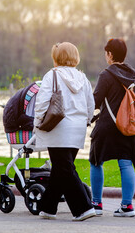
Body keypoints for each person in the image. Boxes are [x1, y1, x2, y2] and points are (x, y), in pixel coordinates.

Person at [34, 42, 96, 221]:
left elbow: (42, 102)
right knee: (61, 169)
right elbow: (90, 104)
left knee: (65, 168)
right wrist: (85, 120)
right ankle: (48, 208)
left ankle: (84, 208)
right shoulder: (82, 78)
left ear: (56, 57)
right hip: (77, 129)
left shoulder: (52, 75)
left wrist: (38, 122)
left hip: (58, 128)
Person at [89, 38, 135, 217]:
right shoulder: (134, 75)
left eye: (106, 52)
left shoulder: (106, 75)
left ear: (110, 54)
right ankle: (127, 206)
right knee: (125, 162)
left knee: (96, 160)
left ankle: (97, 204)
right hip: (128, 125)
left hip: (107, 125)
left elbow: (96, 101)